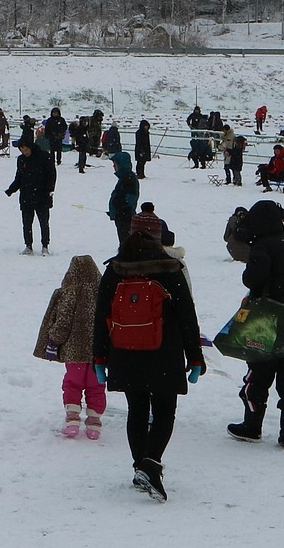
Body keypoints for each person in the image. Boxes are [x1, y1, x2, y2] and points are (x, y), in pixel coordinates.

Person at [91, 232, 205, 501]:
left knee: (138, 410)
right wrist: (195, 357)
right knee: (165, 412)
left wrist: (99, 357)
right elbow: (187, 315)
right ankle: (151, 464)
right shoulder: (169, 269)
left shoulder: (116, 270)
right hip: (164, 352)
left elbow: (100, 316)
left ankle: (140, 466)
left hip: (125, 351)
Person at [227, 200, 284, 449]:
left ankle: (252, 425)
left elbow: (252, 279)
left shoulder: (262, 247)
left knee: (259, 373)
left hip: (267, 320)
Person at [35, 254, 107, 439]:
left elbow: (63, 320)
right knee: (96, 386)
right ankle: (94, 423)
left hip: (75, 351)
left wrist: (54, 340)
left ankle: (73, 419)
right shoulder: (104, 292)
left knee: (73, 383)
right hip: (98, 352)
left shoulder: (71, 291)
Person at [5, 136, 56, 254]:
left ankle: (45, 246)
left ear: (31, 147)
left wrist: (49, 190)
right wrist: (11, 190)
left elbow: (52, 174)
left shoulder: (44, 157)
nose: (24, 152)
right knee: (26, 223)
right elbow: (19, 177)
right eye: (22, 150)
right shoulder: (21, 160)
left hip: (42, 196)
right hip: (26, 197)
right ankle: (28, 246)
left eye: (26, 149)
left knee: (44, 223)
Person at [106, 151, 139, 247]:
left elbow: (130, 199)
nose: (114, 167)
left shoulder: (129, 178)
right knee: (124, 242)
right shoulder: (125, 177)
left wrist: (118, 207)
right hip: (121, 216)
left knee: (126, 244)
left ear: (121, 165)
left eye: (115, 164)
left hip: (125, 218)